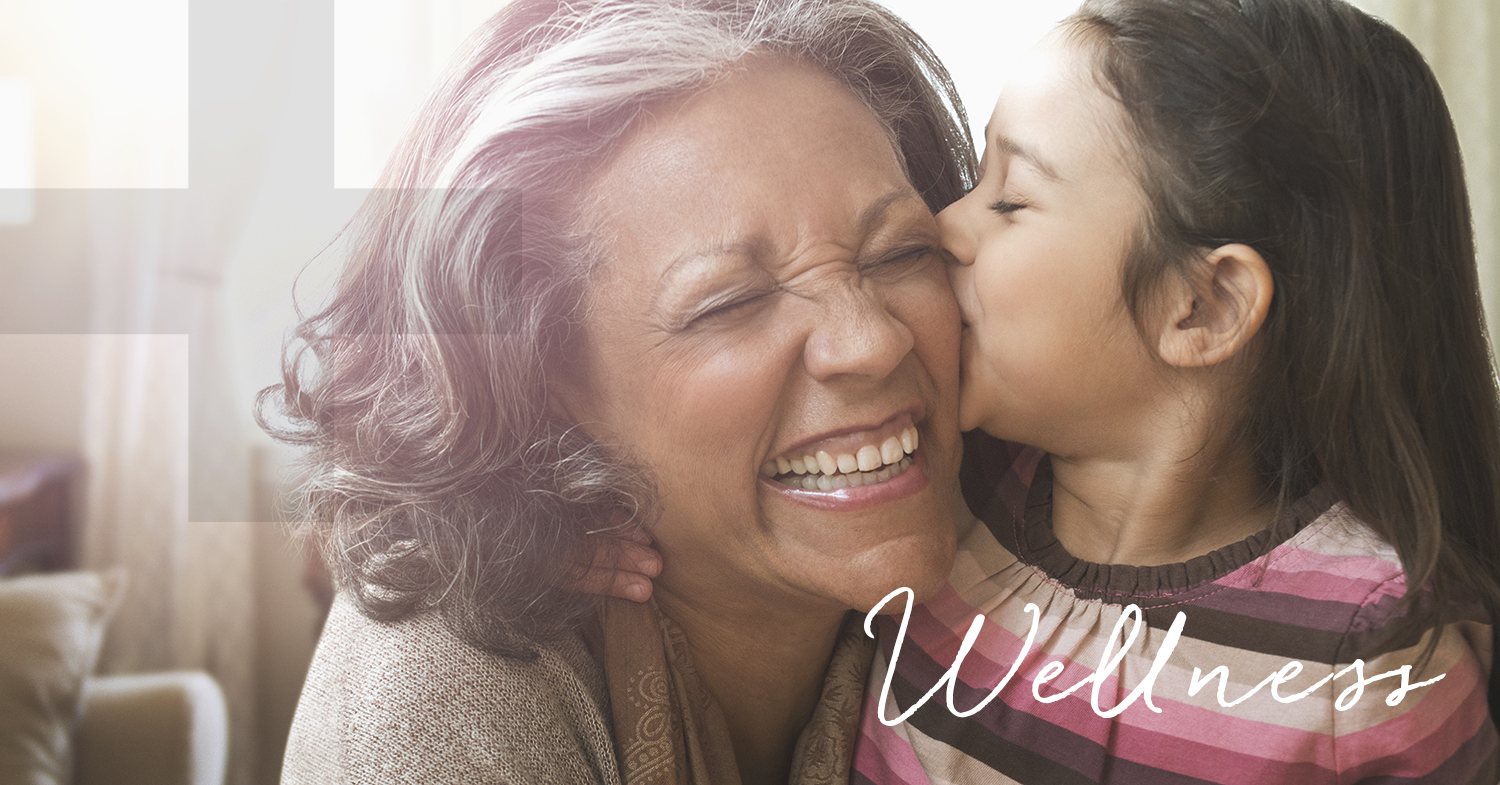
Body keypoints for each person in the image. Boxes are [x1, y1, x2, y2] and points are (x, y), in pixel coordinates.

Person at [262, 0, 981, 782]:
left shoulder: (1030, 534)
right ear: (536, 387)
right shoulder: (438, 703)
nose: (872, 341)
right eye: (729, 302)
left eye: (901, 251)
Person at [853, 0, 1500, 782]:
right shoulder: (940, 495)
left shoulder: (1369, 663)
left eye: (1010, 200)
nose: (943, 225)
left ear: (1203, 307)